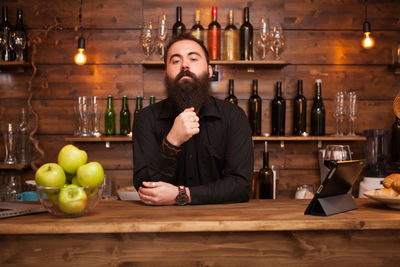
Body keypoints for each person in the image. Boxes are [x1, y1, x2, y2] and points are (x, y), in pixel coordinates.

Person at [133, 33, 254, 205]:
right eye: (175, 61)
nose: (184, 65)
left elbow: (241, 186)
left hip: (223, 225)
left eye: (193, 59)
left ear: (210, 71)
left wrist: (182, 194)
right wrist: (172, 141)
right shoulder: (146, 119)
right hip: (160, 225)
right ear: (165, 74)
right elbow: (144, 187)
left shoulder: (234, 117)